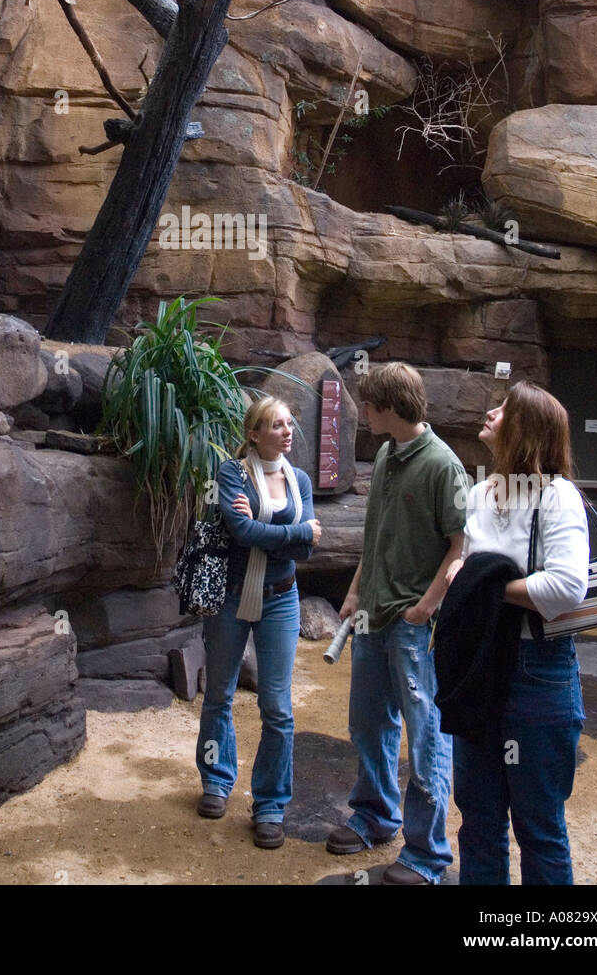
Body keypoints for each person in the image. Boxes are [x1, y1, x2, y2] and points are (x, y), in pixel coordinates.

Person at [326, 362, 468, 885]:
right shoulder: (386, 454)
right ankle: (375, 815)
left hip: (413, 624)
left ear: (388, 407)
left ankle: (428, 853)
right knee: (368, 722)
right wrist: (355, 590)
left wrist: (424, 608)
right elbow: (376, 535)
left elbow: (460, 548)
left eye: (368, 405)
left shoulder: (443, 465)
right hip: (371, 615)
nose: (364, 413)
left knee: (426, 732)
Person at [444, 381, 589, 885]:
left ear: (526, 430)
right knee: (479, 820)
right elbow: (469, 562)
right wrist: (464, 574)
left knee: (539, 826)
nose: (490, 411)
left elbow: (568, 586)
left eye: (504, 409)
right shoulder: (483, 491)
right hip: (480, 665)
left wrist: (484, 586)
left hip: (536, 672)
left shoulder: (557, 496)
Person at [195, 396, 321, 848]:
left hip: (281, 599)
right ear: (253, 433)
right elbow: (244, 533)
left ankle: (270, 804)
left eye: (289, 423)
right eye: (275, 425)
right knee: (219, 693)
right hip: (231, 597)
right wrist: (297, 532)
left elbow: (305, 553)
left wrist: (287, 538)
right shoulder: (232, 474)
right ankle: (216, 780)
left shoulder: (299, 480)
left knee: (278, 707)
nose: (287, 431)